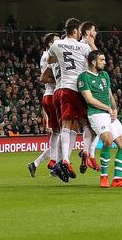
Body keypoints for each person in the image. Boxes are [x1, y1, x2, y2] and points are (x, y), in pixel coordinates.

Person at [47, 19, 97, 181]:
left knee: (65, 126)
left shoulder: (57, 45)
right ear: (76, 32)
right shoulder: (83, 47)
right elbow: (96, 62)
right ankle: (85, 153)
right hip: (77, 89)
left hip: (60, 90)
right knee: (87, 125)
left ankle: (65, 161)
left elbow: (49, 60)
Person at [78, 50, 122, 188]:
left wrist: (114, 109)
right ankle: (104, 177)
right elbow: (89, 100)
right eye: (102, 60)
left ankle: (117, 179)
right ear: (93, 62)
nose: (105, 62)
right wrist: (107, 109)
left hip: (109, 113)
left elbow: (109, 95)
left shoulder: (105, 75)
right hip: (96, 113)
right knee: (107, 139)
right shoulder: (83, 77)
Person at [29, 33, 60, 178]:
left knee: (58, 134)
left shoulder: (46, 56)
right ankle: (56, 165)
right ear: (49, 44)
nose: (60, 42)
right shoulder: (49, 57)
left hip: (49, 96)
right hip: (54, 95)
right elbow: (46, 78)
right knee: (64, 133)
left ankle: (39, 163)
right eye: (56, 40)